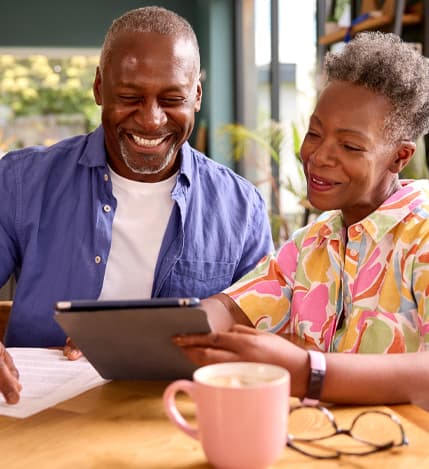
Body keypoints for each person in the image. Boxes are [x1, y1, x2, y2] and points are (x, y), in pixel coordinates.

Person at [0, 6, 273, 403]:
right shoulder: (21, 181)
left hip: (175, 414)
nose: (151, 119)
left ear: (196, 95)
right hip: (34, 412)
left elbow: (259, 338)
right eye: (129, 97)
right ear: (98, 88)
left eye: (172, 98)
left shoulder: (241, 209)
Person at [174, 32, 429, 410]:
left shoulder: (422, 232)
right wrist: (134, 338)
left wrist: (309, 372)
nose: (318, 156)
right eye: (314, 133)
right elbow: (229, 310)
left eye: (350, 146)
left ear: (399, 157)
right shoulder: (311, 243)